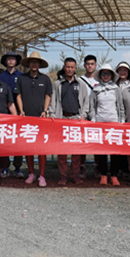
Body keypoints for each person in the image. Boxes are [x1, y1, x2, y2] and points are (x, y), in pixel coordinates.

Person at [50, 57, 90, 186]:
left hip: (76, 119)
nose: (70, 69)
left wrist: (83, 115)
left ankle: (74, 175)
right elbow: (53, 101)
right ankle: (63, 176)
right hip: (61, 118)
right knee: (61, 150)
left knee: (76, 150)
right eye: (67, 67)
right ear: (64, 67)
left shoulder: (81, 84)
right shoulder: (58, 84)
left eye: (72, 67)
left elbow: (86, 102)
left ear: (75, 69)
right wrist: (52, 114)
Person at [16, 52, 53, 187]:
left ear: (40, 64)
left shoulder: (45, 79)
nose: (34, 64)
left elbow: (48, 96)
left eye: (36, 62)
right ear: (28, 64)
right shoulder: (21, 78)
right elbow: (18, 95)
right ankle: (32, 173)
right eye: (32, 62)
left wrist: (45, 110)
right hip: (26, 118)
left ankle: (42, 175)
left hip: (41, 118)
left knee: (41, 149)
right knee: (28, 147)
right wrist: (21, 110)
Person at [88, 64, 125, 186]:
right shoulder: (95, 89)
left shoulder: (116, 89)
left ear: (112, 75)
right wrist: (93, 118)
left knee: (114, 151)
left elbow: (120, 106)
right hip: (100, 123)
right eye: (103, 74)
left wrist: (122, 120)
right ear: (100, 75)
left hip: (114, 123)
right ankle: (103, 175)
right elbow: (92, 106)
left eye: (108, 74)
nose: (105, 76)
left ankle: (114, 175)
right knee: (102, 151)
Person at [0, 51, 24, 177]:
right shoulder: (0, 76)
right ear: (5, 61)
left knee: (18, 140)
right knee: (4, 140)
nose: (10, 61)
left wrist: (21, 110)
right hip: (3, 111)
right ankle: (4, 166)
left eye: (13, 59)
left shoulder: (21, 75)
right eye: (8, 59)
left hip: (18, 111)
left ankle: (18, 167)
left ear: (16, 61)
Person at [79, 54, 99, 178]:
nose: (90, 66)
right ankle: (81, 167)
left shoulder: (100, 80)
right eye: (88, 64)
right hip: (83, 114)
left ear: (96, 65)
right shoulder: (79, 80)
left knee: (97, 142)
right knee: (81, 142)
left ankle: (98, 167)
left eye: (92, 64)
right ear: (84, 65)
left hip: (97, 115)